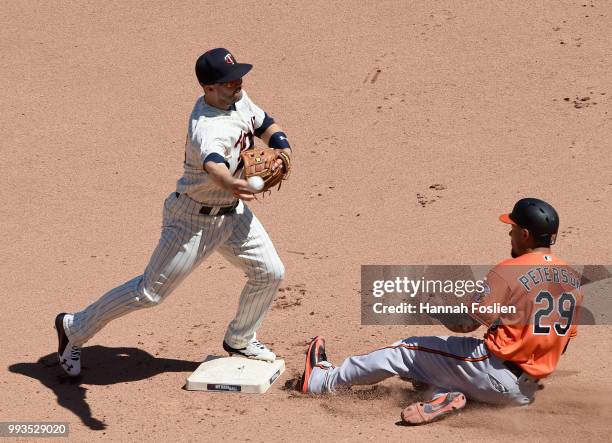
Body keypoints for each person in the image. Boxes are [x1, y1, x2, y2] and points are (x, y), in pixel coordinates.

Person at [55, 48, 293, 377]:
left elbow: (263, 121)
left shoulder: (236, 97)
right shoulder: (206, 128)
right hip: (192, 220)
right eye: (228, 81)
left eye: (238, 76)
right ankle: (73, 327)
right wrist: (230, 183)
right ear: (209, 88)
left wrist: (282, 143)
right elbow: (213, 164)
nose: (237, 83)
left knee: (270, 272)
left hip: (232, 214)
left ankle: (240, 338)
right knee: (149, 293)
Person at [301, 198, 582, 425]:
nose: (509, 233)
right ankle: (446, 395)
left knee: (405, 351)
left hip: (489, 372)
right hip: (524, 392)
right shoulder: (572, 281)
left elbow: (463, 323)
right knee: (434, 369)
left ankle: (320, 380)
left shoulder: (510, 270)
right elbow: (562, 344)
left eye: (512, 228)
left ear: (525, 234)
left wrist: (431, 308)